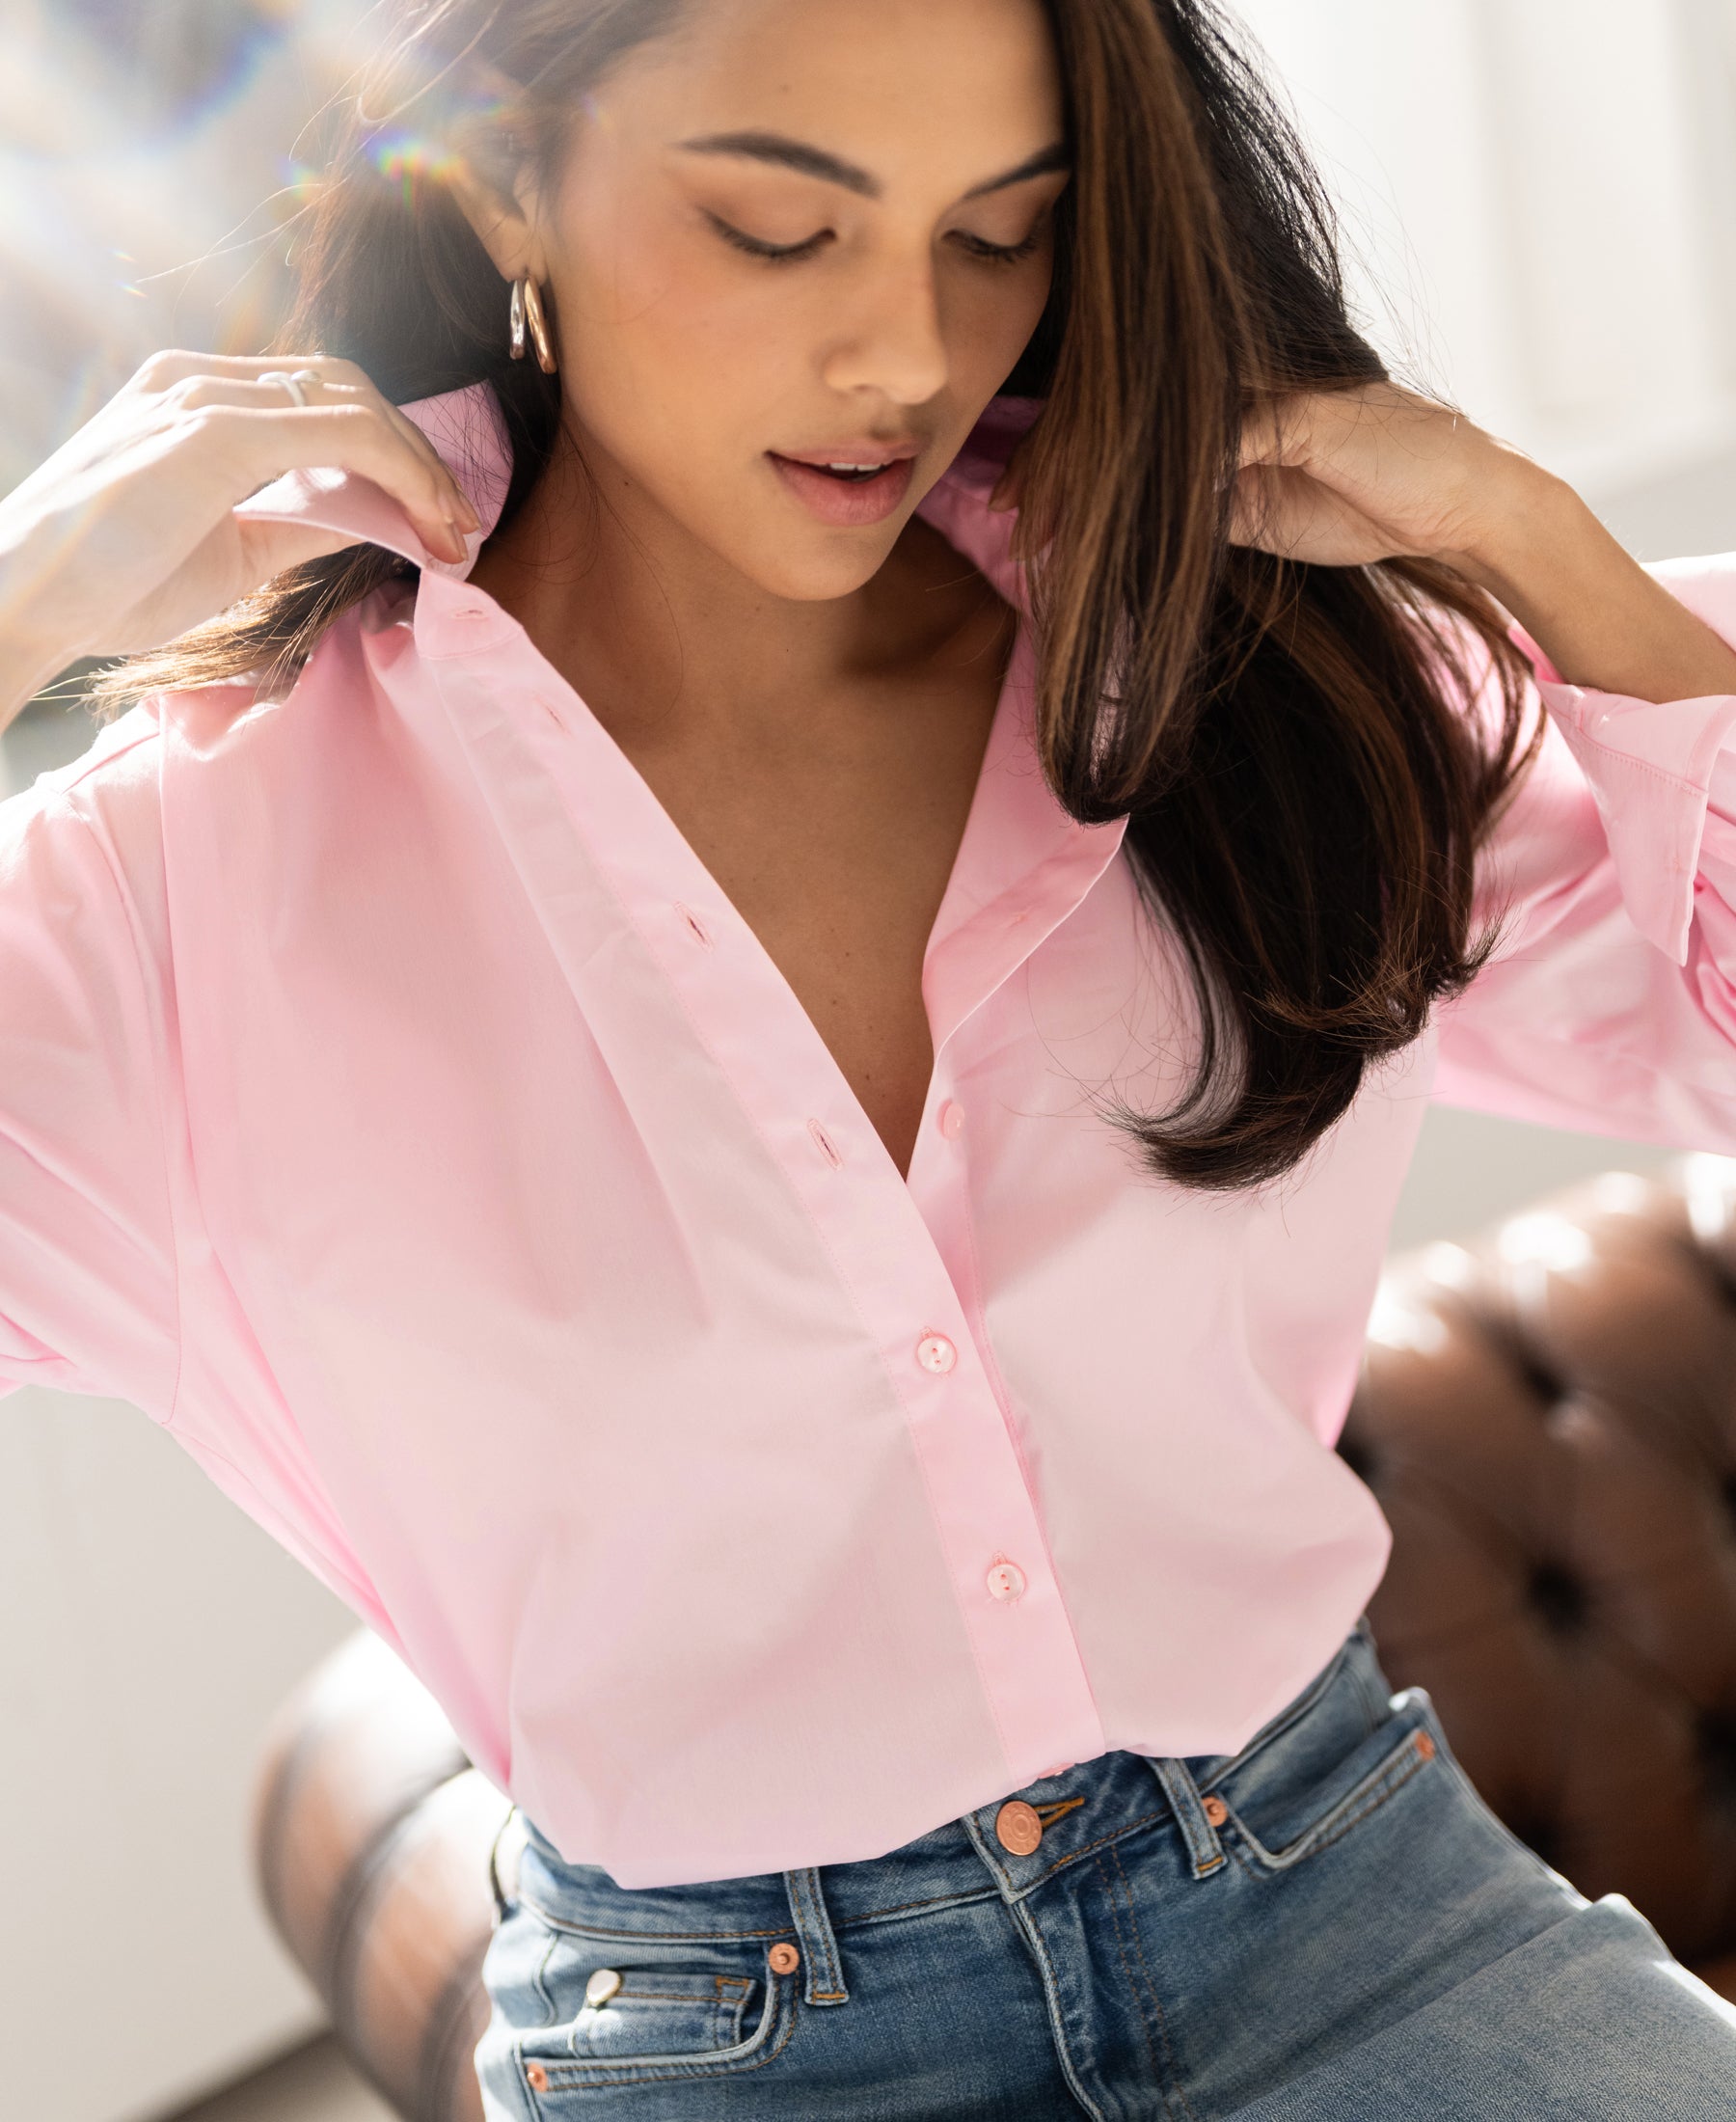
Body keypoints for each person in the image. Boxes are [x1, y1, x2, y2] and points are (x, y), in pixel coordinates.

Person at [2, 0, 1734, 2112]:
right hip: (730, 2043)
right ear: (502, 172)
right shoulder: (181, 886)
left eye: (998, 237)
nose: (907, 357)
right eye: (777, 230)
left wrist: (1539, 548)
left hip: (1346, 1895)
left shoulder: (1227, 672)